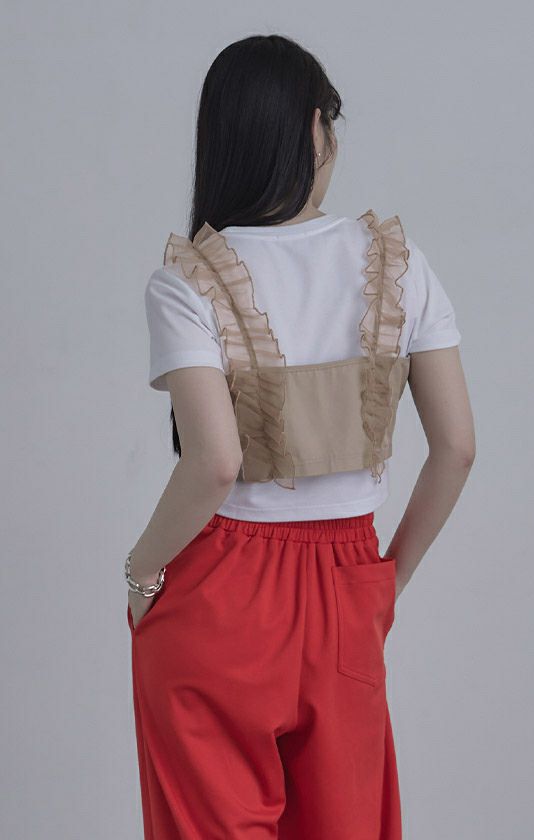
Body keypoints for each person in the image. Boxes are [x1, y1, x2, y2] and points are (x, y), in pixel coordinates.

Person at [125, 33, 475, 840]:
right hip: (348, 583)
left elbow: (214, 463)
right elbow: (457, 449)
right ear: (317, 128)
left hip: (219, 593)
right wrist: (383, 583)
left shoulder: (189, 280)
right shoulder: (400, 265)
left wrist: (141, 572)